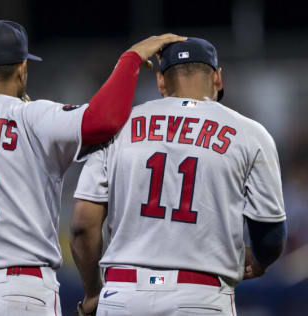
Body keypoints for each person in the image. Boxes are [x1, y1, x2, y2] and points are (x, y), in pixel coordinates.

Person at [0, 18, 186, 316]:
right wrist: (130, 58)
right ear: (22, 69)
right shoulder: (30, 116)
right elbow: (102, 120)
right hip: (20, 291)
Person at [70, 37, 287, 316]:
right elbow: (270, 234)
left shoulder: (118, 127)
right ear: (218, 78)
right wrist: (260, 260)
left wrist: (92, 293)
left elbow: (82, 225)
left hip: (124, 294)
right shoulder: (250, 133)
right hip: (201, 296)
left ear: (161, 82)